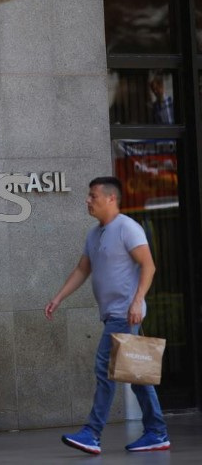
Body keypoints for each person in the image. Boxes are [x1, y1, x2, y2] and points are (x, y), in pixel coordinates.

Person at [44, 177, 169, 455]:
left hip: (125, 314)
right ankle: (157, 432)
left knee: (105, 370)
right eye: (89, 196)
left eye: (93, 196)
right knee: (136, 375)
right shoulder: (94, 234)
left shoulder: (127, 228)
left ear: (111, 198)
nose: (88, 201)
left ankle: (92, 432)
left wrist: (137, 302)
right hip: (113, 314)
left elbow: (148, 266)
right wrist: (58, 297)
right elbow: (82, 270)